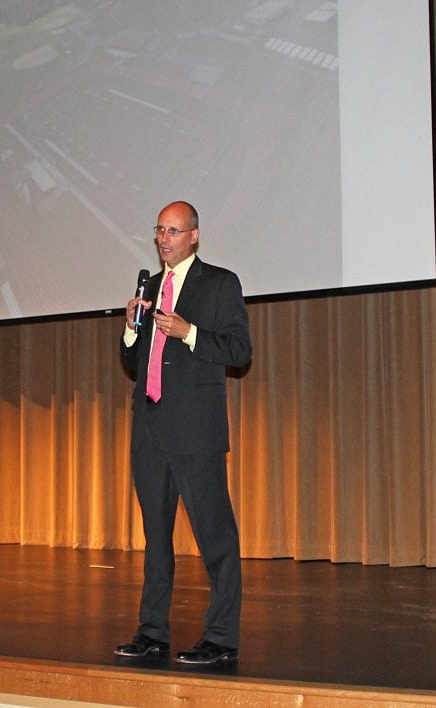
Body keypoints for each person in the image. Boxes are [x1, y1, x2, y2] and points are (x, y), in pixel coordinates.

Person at [115, 200, 252, 665]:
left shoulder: (219, 283)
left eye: (173, 231)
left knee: (215, 537)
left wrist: (190, 331)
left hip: (196, 431)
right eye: (159, 230)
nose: (163, 239)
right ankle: (152, 630)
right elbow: (136, 364)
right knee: (156, 538)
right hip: (150, 427)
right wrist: (131, 332)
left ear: (194, 235)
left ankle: (221, 637)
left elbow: (239, 349)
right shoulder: (151, 288)